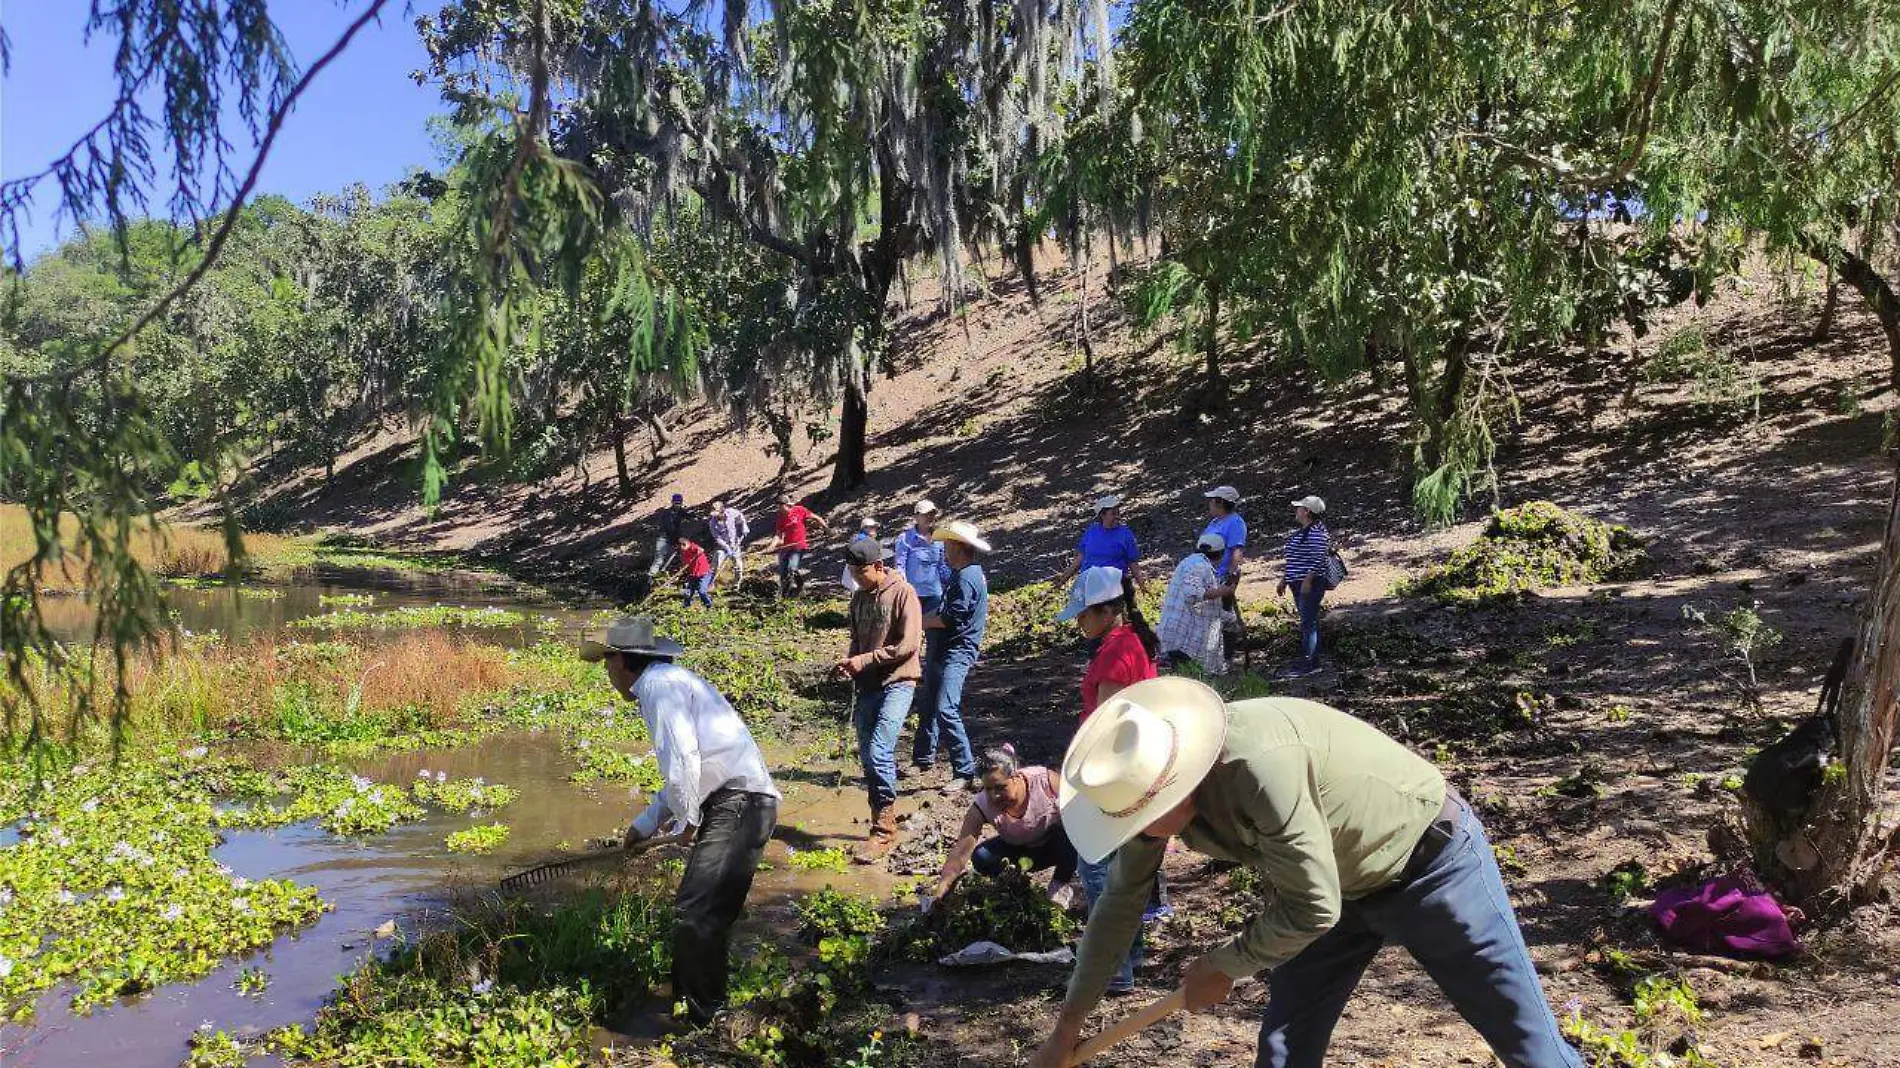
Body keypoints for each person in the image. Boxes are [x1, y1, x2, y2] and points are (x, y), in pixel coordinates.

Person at [1028, 679, 1583, 1068]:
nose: (1142, 834)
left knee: (1527, 1046)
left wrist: (1223, 964)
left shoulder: (1257, 767)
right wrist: (1067, 1027)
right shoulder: (1153, 805)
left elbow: (1313, 907)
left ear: (1174, 783)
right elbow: (1119, 906)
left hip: (1430, 864)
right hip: (1333, 889)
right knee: (1285, 1049)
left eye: (1144, 819)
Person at [578, 617, 780, 1026]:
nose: (607, 674)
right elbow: (684, 773)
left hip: (738, 803)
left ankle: (702, 1019)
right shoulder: (668, 680)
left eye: (606, 664)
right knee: (706, 913)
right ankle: (701, 1009)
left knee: (695, 911)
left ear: (620, 661)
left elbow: (684, 760)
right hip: (739, 802)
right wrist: (645, 824)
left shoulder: (658, 686)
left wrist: (688, 820)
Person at [1054, 565, 1166, 994]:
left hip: (1115, 775)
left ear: (1105, 611)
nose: (1079, 622)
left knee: (1096, 866)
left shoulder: (1119, 652)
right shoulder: (1131, 642)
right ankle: (1130, 954)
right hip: (1132, 772)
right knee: (1124, 871)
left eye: (1083, 614)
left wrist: (1083, 782)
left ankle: (1113, 967)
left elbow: (1107, 726)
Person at [836, 537, 923, 862]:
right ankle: (881, 819)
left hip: (898, 681)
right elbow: (857, 642)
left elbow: (908, 645)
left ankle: (883, 832)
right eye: (852, 573)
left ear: (879, 567)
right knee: (867, 756)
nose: (857, 579)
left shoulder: (903, 593)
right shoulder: (858, 598)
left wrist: (865, 660)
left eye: (861, 572)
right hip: (868, 685)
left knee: (880, 748)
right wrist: (850, 663)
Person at [921, 744, 1076, 913]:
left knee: (1073, 834)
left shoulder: (1044, 782)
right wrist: (942, 888)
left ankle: (1060, 886)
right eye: (988, 789)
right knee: (981, 856)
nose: (995, 796)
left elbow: (1080, 805)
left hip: (1054, 848)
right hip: (1019, 854)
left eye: (1001, 787)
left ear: (1015, 777)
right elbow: (961, 851)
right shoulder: (981, 806)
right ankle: (1014, 886)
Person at [912, 520, 990, 787]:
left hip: (957, 650)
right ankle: (923, 758)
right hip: (945, 648)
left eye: (947, 544)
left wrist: (919, 622)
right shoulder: (964, 573)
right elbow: (946, 612)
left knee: (946, 708)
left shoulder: (967, 576)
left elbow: (951, 618)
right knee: (930, 702)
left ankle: (965, 771)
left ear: (957, 546)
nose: (943, 549)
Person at [1157, 533, 1229, 675]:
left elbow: (1208, 609)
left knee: (1184, 677)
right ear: (1221, 554)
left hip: (1179, 633)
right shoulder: (1199, 566)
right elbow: (1192, 593)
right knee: (1188, 679)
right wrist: (1221, 591)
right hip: (1182, 637)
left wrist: (1230, 619)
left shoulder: (1193, 563)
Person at [1279, 495, 1334, 679]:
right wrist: (1285, 579)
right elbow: (1294, 559)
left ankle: (1310, 662)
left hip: (1308, 583)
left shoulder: (1317, 533)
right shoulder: (1304, 531)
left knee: (1307, 622)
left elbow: (1319, 559)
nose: (1297, 511)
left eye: (1300, 508)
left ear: (1307, 512)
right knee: (1308, 620)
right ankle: (1312, 658)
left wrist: (1308, 581)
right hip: (1298, 581)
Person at [1056, 495, 1143, 590]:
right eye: (1113, 514)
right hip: (1089, 584)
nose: (1117, 517)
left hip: (1114, 585)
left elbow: (1133, 563)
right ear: (1102, 515)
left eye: (1118, 513)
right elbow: (1079, 559)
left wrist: (1143, 586)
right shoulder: (1092, 531)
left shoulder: (1125, 534)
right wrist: (1061, 582)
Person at [770, 491, 830, 598]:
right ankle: (788, 592)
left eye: (780, 506)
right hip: (786, 547)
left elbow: (816, 517)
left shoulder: (799, 510)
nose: (779, 508)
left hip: (798, 546)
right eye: (777, 506)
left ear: (786, 505)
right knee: (783, 572)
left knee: (792, 568)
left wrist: (826, 529)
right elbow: (778, 535)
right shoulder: (780, 517)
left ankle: (795, 589)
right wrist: (771, 546)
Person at [893, 500, 948, 613]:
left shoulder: (939, 538)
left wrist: (956, 579)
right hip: (913, 594)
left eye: (932, 513)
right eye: (925, 514)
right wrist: (903, 590)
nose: (930, 517)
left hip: (935, 594)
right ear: (916, 517)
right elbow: (900, 567)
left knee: (933, 629)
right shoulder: (904, 539)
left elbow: (942, 566)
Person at [707, 500, 750, 588]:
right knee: (716, 563)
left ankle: (736, 584)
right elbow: (717, 538)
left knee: (738, 565)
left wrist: (744, 525)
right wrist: (727, 548)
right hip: (722, 546)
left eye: (717, 513)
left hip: (735, 544)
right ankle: (709, 584)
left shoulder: (731, 512)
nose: (715, 516)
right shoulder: (712, 523)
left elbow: (740, 516)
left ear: (722, 511)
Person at [649, 493, 692, 577]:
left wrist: (693, 515)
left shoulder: (680, 511)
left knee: (678, 556)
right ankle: (650, 576)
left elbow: (687, 515)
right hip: (664, 538)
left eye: (679, 503)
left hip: (675, 538)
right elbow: (669, 529)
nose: (678, 505)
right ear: (672, 502)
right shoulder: (667, 514)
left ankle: (669, 574)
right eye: (676, 503)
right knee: (659, 559)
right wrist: (677, 540)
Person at [841, 517, 881, 593]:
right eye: (872, 527)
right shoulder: (861, 540)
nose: (874, 529)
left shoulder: (864, 539)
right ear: (864, 528)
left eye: (875, 527)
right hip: (858, 570)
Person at [674, 534, 715, 608]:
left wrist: (699, 551)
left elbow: (700, 549)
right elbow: (685, 564)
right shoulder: (683, 553)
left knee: (702, 591)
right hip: (693, 575)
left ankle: (709, 606)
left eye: (681, 547)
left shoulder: (692, 547)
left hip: (704, 574)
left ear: (685, 544)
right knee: (688, 593)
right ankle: (686, 607)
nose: (681, 549)